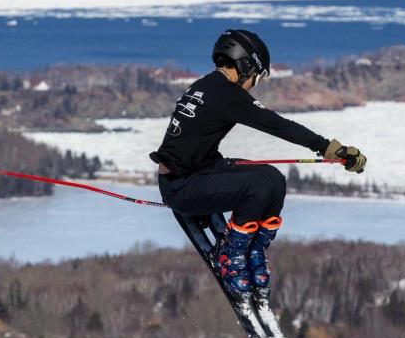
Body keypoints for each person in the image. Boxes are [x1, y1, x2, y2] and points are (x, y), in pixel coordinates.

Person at [150, 29, 366, 301]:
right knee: (257, 187)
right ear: (246, 65)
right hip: (182, 188)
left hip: (197, 173)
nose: (254, 84)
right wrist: (330, 149)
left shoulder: (208, 85)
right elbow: (278, 125)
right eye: (258, 76)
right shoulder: (227, 93)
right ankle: (231, 255)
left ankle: (253, 250)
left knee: (274, 179)